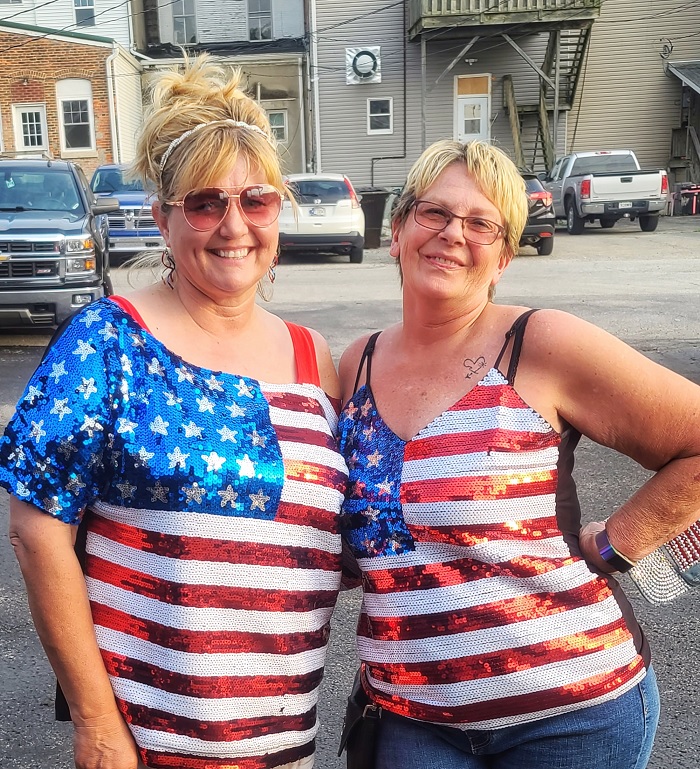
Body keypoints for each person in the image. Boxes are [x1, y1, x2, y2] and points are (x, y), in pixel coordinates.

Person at [1, 55, 347, 769]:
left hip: (285, 743)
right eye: (204, 202)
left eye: (256, 200)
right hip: (147, 745)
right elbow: (37, 532)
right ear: (163, 218)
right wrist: (96, 723)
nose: (233, 225)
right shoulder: (107, 339)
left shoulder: (316, 357)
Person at [337, 139, 700, 769]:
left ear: (503, 256)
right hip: (411, 717)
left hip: (571, 716)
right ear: (395, 232)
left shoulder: (540, 344)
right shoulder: (355, 365)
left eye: (481, 223)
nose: (453, 234)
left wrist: (623, 541)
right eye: (433, 214)